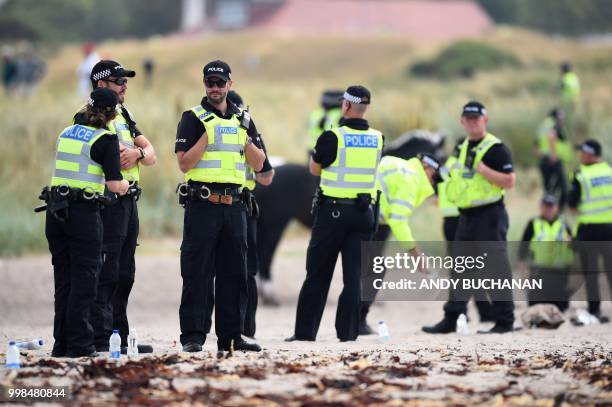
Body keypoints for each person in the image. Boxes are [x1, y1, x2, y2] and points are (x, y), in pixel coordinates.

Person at [175, 60, 266, 352]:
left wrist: (243, 134)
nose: (215, 88)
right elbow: (184, 163)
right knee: (197, 272)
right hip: (202, 204)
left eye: (220, 83)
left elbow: (259, 163)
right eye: (210, 82)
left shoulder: (242, 119)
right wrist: (209, 134)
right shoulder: (193, 117)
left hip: (235, 205)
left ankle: (231, 336)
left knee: (235, 273)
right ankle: (193, 336)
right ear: (204, 84)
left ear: (230, 84)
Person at [286, 85, 383, 342]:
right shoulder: (378, 138)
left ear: (346, 106)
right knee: (353, 277)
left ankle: (305, 333)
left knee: (318, 273)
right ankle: (348, 334)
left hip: (334, 213)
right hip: (364, 213)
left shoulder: (332, 137)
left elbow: (315, 169)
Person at [43, 88, 129, 357]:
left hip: (55, 210)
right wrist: (127, 185)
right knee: (86, 279)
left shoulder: (66, 133)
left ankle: (62, 344)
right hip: (83, 214)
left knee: (64, 279)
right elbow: (114, 184)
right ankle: (80, 345)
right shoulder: (105, 139)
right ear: (112, 114)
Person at [79, 60, 157, 354]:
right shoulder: (88, 116)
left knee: (126, 272)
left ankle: (119, 335)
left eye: (125, 81)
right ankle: (99, 337)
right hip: (106, 201)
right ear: (101, 84)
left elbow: (152, 155)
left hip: (129, 201)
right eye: (118, 81)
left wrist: (137, 152)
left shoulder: (124, 114)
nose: (125, 86)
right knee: (107, 271)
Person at [422, 101, 516, 334]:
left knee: (495, 268)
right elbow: (453, 177)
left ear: (485, 120)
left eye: (477, 118)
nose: (472, 122)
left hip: (490, 215)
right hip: (466, 217)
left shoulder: (496, 148)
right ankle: (451, 319)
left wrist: (484, 171)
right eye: (468, 118)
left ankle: (504, 321)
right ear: (462, 122)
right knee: (460, 269)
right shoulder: (461, 147)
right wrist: (434, 171)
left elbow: (509, 181)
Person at [202, 90, 275, 339]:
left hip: (218, 205)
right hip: (242, 208)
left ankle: (211, 331)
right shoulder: (248, 131)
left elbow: (266, 175)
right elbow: (266, 177)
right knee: (245, 272)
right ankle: (246, 331)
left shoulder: (209, 127)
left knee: (209, 271)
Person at [359, 153, 439, 334]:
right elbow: (398, 220)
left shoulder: (397, 163)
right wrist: (415, 253)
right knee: (375, 270)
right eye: (435, 177)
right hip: (370, 221)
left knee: (362, 270)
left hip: (362, 214)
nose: (434, 183)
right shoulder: (411, 179)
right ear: (427, 168)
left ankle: (354, 321)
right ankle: (357, 322)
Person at [438, 138, 493, 322]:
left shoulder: (445, 167)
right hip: (464, 219)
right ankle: (478, 311)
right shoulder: (464, 166)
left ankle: (463, 311)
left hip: (448, 221)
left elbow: (437, 194)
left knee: (460, 268)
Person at [568, 139, 612, 323]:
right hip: (610, 227)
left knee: (591, 273)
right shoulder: (610, 171)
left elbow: (572, 205)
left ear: (590, 154)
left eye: (583, 152)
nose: (581, 155)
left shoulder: (580, 174)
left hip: (589, 229)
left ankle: (594, 311)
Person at [518, 194, 573, 312]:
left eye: (551, 206)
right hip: (539, 271)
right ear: (541, 207)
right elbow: (523, 247)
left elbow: (575, 246)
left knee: (560, 306)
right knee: (536, 305)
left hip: (560, 271)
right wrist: (523, 271)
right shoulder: (533, 223)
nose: (548, 209)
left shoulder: (564, 224)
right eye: (546, 206)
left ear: (556, 207)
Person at [536, 108, 571, 210]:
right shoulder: (553, 125)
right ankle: (559, 211)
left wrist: (542, 155)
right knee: (563, 188)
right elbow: (552, 137)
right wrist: (553, 155)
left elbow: (536, 146)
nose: (562, 120)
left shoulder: (544, 125)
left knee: (549, 189)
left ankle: (547, 210)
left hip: (544, 160)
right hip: (554, 161)